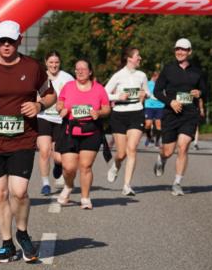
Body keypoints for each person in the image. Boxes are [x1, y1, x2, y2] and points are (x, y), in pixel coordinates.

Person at [0, 21, 55, 263]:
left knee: (20, 191)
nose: (6, 45)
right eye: (2, 41)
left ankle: (22, 233)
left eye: (11, 41)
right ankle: (6, 244)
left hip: (23, 138)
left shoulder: (32, 67)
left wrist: (39, 105)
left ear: (19, 41)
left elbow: (50, 94)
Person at [153, 38, 207, 196]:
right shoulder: (168, 69)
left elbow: (205, 90)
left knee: (183, 146)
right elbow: (157, 92)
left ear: (189, 52)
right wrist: (170, 102)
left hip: (190, 114)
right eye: (177, 49)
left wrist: (199, 93)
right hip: (171, 114)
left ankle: (177, 182)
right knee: (169, 151)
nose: (180, 52)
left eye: (183, 49)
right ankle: (161, 158)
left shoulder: (197, 71)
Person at [55, 59, 111, 209]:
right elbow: (59, 103)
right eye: (77, 69)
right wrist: (61, 109)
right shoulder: (68, 87)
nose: (80, 71)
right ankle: (68, 186)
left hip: (91, 130)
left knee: (85, 166)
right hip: (70, 130)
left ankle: (85, 198)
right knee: (68, 167)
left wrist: (99, 112)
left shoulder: (99, 89)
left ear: (90, 72)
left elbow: (107, 108)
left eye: (83, 69)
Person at [104, 48, 148, 197]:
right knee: (121, 153)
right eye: (138, 56)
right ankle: (115, 166)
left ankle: (127, 185)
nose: (140, 58)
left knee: (132, 149)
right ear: (129, 58)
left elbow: (148, 92)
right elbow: (104, 94)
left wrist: (145, 93)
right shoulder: (118, 76)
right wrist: (118, 96)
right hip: (119, 115)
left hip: (137, 113)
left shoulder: (142, 75)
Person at [35, 51, 74, 196]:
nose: (54, 65)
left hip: (61, 120)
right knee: (44, 150)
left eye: (56, 62)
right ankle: (45, 184)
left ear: (60, 63)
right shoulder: (40, 77)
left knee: (59, 157)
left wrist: (66, 108)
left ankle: (58, 165)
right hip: (43, 117)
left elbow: (74, 96)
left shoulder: (67, 78)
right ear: (46, 62)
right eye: (51, 62)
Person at [143, 70, 164, 147]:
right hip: (149, 106)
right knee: (148, 124)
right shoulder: (148, 84)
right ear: (154, 77)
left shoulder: (162, 84)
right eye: (158, 78)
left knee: (159, 124)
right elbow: (143, 93)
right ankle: (149, 137)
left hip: (160, 106)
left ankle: (157, 141)